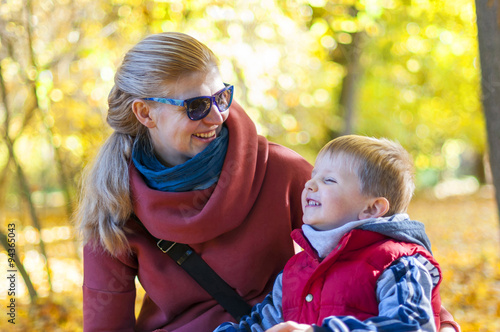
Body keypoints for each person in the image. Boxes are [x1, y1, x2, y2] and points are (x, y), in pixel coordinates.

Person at [76, 32, 458, 332]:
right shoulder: (112, 201)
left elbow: (377, 247)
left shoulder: (281, 171)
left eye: (221, 97)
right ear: (145, 113)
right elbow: (106, 323)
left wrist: (441, 324)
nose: (216, 117)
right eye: (196, 107)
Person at [214, 135, 460, 332]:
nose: (310, 185)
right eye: (313, 177)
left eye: (329, 180)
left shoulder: (397, 264)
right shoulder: (297, 269)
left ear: (372, 208)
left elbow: (412, 326)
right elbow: (259, 324)